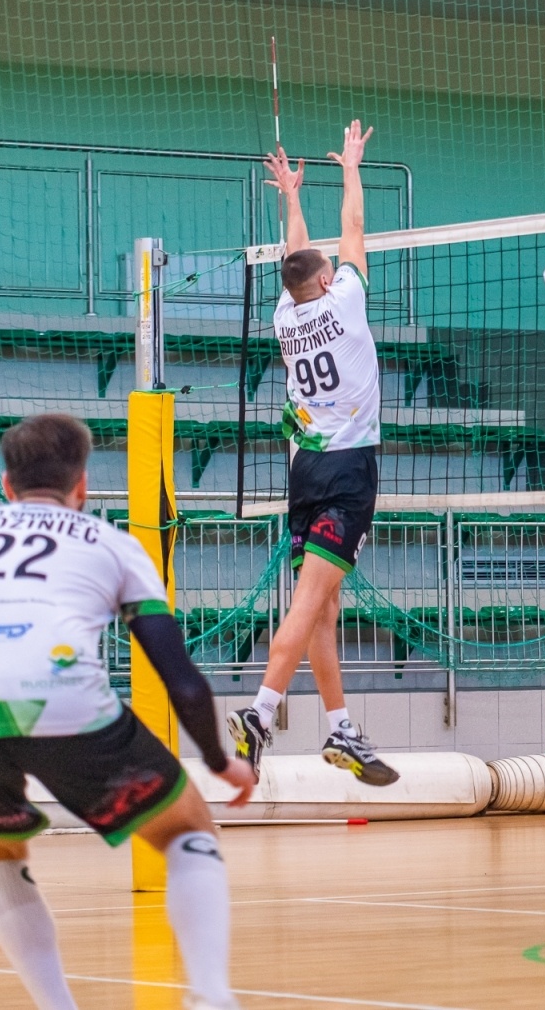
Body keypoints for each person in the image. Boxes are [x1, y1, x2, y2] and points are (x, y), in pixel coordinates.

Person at [0, 414, 257, 1010]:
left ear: (7, 485)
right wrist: (223, 762)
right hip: (67, 705)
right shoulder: (114, 544)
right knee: (187, 829)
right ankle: (212, 999)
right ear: (83, 486)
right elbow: (184, 683)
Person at [227, 120, 398, 787]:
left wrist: (291, 199)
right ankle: (261, 713)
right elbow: (352, 231)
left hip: (303, 469)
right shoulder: (348, 301)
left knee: (324, 604)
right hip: (349, 469)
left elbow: (296, 260)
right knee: (309, 601)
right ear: (329, 283)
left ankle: (339, 729)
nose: (337, 265)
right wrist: (351, 168)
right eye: (331, 269)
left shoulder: (285, 314)